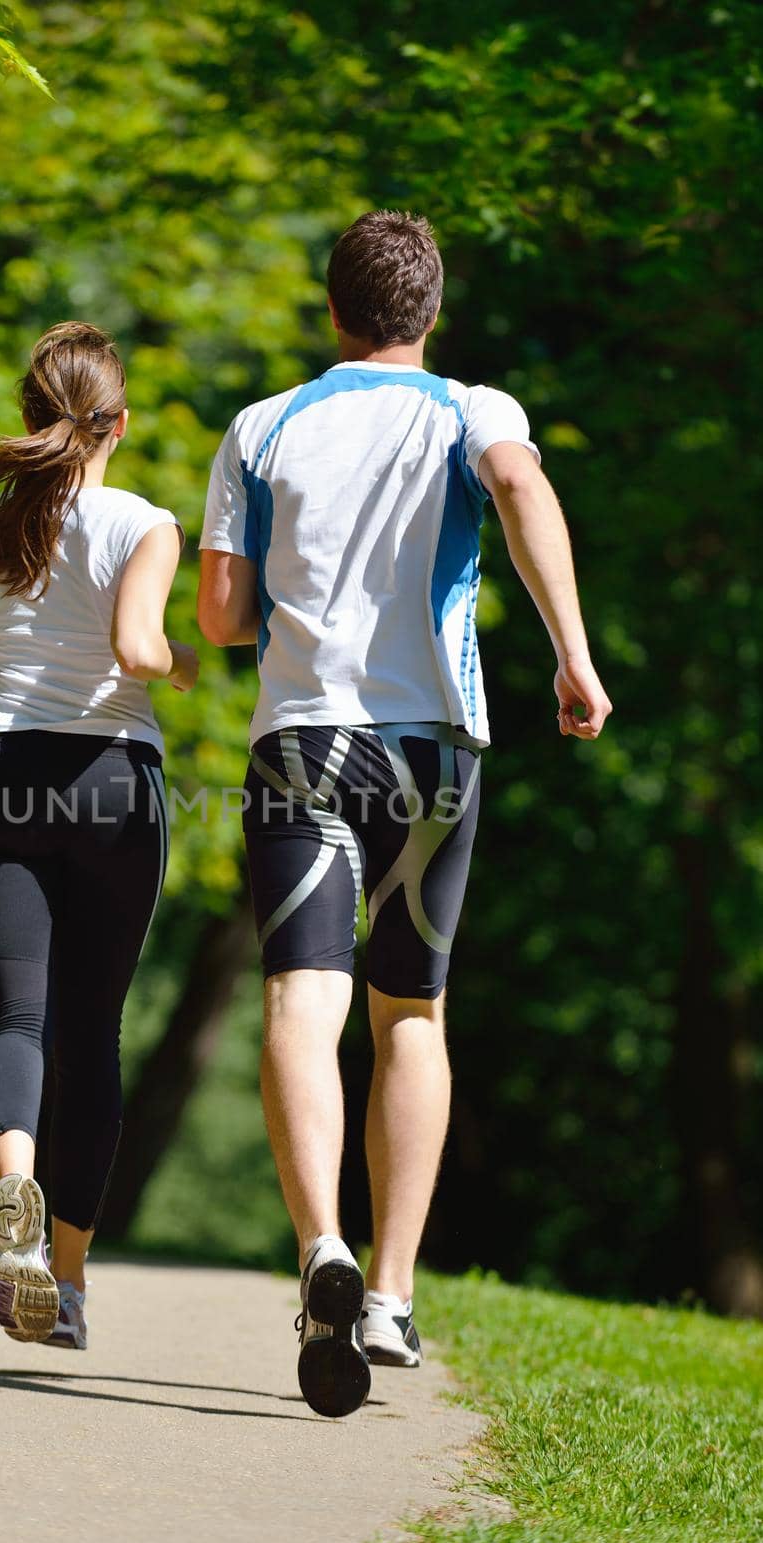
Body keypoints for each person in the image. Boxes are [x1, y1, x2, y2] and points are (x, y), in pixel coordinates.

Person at [197, 210, 612, 1418]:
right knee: (411, 1016)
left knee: (300, 1002)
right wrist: (571, 656)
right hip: (432, 755)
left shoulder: (261, 426)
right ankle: (387, 1293)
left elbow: (223, 618)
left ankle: (319, 1239)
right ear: (430, 313)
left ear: (332, 312)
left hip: (301, 746)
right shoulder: (476, 410)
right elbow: (523, 486)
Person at [0, 321, 197, 1349]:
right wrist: (177, 664)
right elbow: (135, 642)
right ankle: (66, 1286)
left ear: (31, 420)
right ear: (116, 422)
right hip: (114, 783)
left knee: (17, 1020)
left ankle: (15, 1196)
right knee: (93, 1035)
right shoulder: (146, 523)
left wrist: (2, 732)